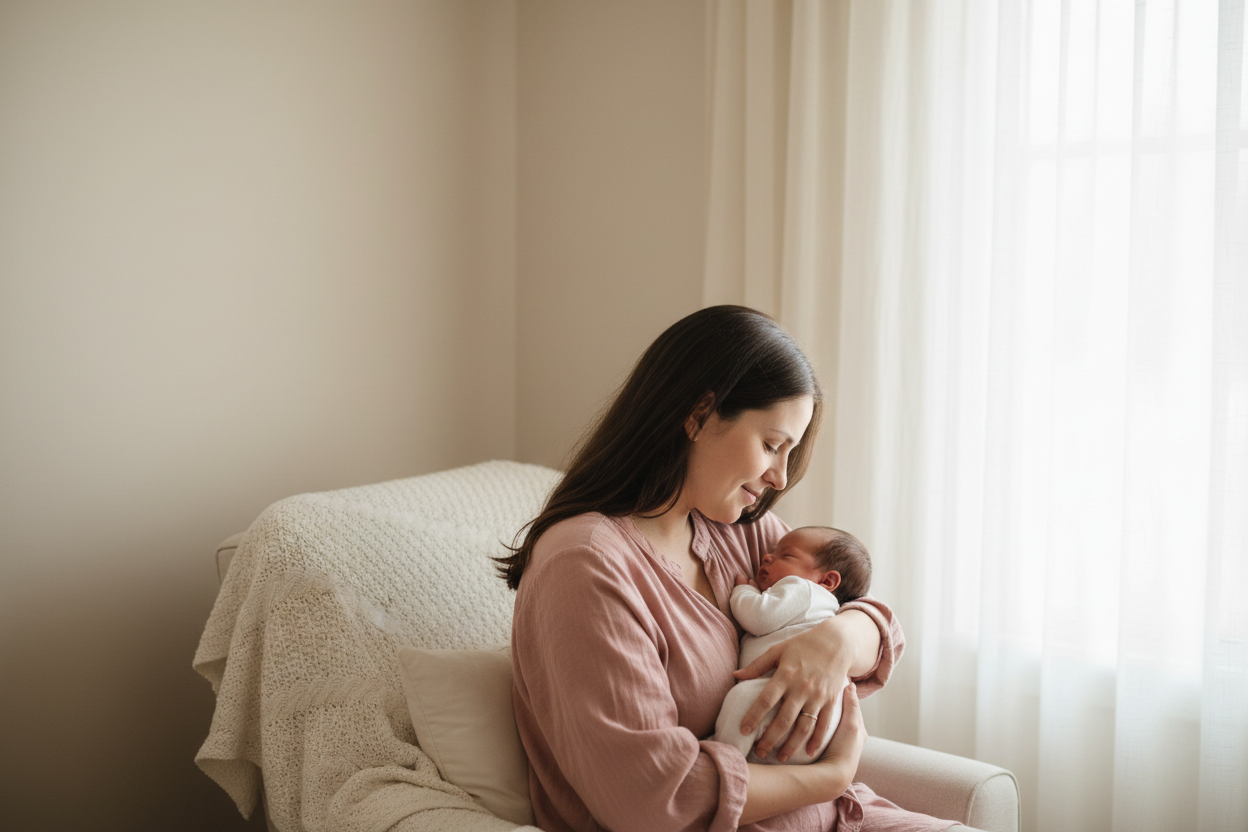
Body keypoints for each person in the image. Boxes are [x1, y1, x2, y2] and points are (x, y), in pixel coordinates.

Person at [499, 305, 958, 831]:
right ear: (698, 415)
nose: (781, 478)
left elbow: (877, 625)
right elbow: (651, 798)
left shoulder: (736, 529)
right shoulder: (586, 565)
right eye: (771, 445)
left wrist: (835, 640)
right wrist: (829, 776)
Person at [713, 526, 872, 766]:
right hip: (811, 724)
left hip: (792, 701)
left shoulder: (806, 591)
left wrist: (743, 591)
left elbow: (758, 617)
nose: (767, 557)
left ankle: (723, 755)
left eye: (786, 556)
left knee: (742, 699)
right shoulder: (818, 604)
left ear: (826, 580)